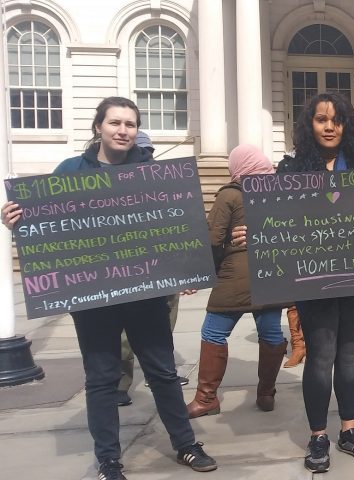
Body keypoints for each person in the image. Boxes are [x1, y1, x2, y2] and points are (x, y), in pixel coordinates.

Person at [2, 97, 217, 479]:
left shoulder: (152, 173)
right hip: (93, 298)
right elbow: (49, 224)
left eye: (130, 124)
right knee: (101, 379)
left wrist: (184, 268)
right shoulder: (70, 170)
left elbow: (173, 228)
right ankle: (109, 460)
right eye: (115, 122)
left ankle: (185, 445)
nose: (123, 130)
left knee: (162, 372)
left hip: (146, 296)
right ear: (98, 127)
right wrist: (16, 218)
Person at [232, 92, 354, 473]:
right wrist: (258, 232)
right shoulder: (292, 171)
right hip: (313, 277)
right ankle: (318, 435)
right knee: (321, 353)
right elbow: (277, 220)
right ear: (308, 125)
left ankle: (349, 429)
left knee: (350, 353)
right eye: (321, 119)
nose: (329, 126)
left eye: (337, 120)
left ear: (347, 126)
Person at [185, 144, 287, 418]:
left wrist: (199, 273)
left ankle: (206, 398)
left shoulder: (229, 195)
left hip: (236, 277)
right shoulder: (277, 196)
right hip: (271, 275)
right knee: (271, 333)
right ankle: (266, 393)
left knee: (213, 333)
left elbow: (213, 240)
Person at [117, 131, 188, 407]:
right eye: (142, 151)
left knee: (163, 324)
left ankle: (161, 372)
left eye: (148, 152)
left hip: (162, 267)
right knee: (124, 333)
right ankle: (120, 383)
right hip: (127, 270)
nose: (146, 157)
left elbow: (179, 222)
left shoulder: (162, 180)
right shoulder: (110, 183)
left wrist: (186, 267)